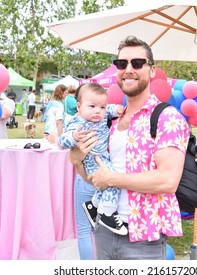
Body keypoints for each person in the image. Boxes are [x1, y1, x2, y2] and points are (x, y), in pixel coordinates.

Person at [69, 35, 190, 260]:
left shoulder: (166, 118)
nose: (128, 69)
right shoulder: (112, 123)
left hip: (144, 238)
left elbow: (168, 181)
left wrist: (112, 179)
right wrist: (77, 162)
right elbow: (96, 178)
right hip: (105, 230)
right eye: (122, 64)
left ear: (152, 71)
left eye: (137, 63)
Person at [59, 83, 127, 235]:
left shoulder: (102, 117)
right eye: (92, 106)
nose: (98, 111)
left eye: (101, 107)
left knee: (106, 184)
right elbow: (61, 141)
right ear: (79, 107)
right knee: (113, 181)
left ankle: (94, 205)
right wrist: (74, 137)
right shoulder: (78, 123)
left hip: (103, 157)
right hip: (91, 159)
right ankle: (107, 214)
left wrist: (116, 109)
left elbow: (109, 109)